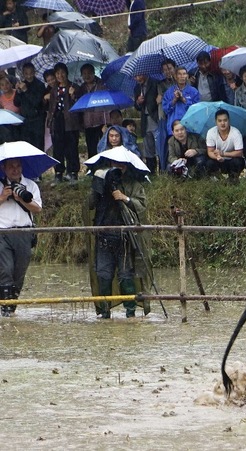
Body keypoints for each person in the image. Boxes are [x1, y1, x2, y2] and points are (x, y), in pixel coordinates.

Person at [88, 154, 147, 319]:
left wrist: (125, 198)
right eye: (115, 163)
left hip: (125, 237)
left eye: (122, 163)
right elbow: (90, 205)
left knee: (125, 274)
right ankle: (105, 312)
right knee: (103, 274)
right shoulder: (101, 180)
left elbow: (142, 206)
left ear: (127, 165)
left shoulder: (133, 184)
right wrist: (97, 187)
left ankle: (131, 312)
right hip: (104, 235)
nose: (118, 166)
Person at [0, 158, 42, 316]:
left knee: (19, 272)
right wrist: (3, 197)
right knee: (5, 269)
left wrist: (21, 199)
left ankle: (12, 307)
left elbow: (37, 209)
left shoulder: (31, 185)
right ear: (4, 168)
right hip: (2, 233)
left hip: (24, 233)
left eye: (17, 166)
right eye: (11, 167)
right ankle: (5, 310)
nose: (15, 170)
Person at [47, 63, 82, 186]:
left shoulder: (74, 87)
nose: (60, 75)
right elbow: (50, 106)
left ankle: (73, 172)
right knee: (58, 147)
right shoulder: (53, 89)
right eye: (57, 73)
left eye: (62, 73)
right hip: (57, 120)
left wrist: (73, 95)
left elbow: (79, 104)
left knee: (72, 146)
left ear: (66, 73)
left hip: (71, 121)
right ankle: (58, 173)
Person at [77, 64, 107, 160]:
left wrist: (107, 121)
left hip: (102, 121)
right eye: (84, 74)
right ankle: (92, 167)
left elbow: (107, 103)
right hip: (88, 122)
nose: (87, 76)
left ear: (94, 73)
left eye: (89, 73)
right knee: (91, 146)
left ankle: (104, 165)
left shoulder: (102, 85)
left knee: (103, 146)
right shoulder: (81, 88)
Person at [14, 63, 46, 153]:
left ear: (34, 72)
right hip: (25, 120)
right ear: (23, 74)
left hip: (37, 120)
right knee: (27, 147)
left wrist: (26, 91)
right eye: (26, 73)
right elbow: (16, 103)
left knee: (38, 146)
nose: (28, 76)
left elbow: (37, 102)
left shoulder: (40, 85)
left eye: (31, 73)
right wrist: (18, 91)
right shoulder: (22, 84)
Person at [206, 109, 245, 180]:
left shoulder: (236, 133)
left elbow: (239, 152)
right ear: (216, 122)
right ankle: (218, 179)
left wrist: (223, 154)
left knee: (238, 162)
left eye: (225, 120)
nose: (222, 123)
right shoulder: (211, 132)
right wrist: (217, 157)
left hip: (231, 160)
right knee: (209, 163)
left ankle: (233, 178)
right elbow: (210, 151)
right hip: (218, 160)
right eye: (220, 121)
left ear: (229, 120)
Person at [162, 66, 200, 136]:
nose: (182, 76)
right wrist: (174, 100)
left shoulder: (193, 91)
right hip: (174, 128)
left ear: (187, 76)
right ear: (175, 77)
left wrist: (183, 99)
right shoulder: (169, 92)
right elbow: (165, 110)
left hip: (189, 127)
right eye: (179, 74)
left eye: (184, 74)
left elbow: (196, 110)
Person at [133, 73, 159, 174]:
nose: (138, 78)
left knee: (159, 146)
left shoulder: (155, 83)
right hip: (145, 120)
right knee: (148, 147)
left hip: (155, 118)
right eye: (136, 76)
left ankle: (162, 171)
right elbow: (137, 107)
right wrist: (138, 102)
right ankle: (151, 172)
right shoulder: (137, 88)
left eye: (140, 75)